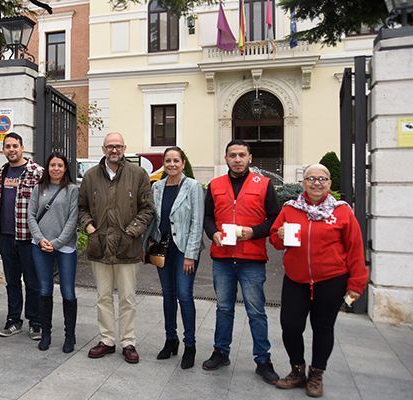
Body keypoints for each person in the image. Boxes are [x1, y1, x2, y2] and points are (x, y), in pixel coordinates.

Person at [269, 164, 368, 397]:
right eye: (311, 178)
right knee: (290, 325)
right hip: (296, 279)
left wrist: (356, 285)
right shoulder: (290, 209)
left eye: (322, 179)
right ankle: (297, 370)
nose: (316, 183)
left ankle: (316, 373)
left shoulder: (342, 212)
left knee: (323, 328)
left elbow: (355, 250)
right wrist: (278, 235)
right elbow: (275, 240)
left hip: (331, 280)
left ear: (330, 184)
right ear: (303, 183)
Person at [202, 139, 280, 383]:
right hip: (223, 258)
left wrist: (254, 232)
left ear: (250, 158)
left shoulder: (264, 184)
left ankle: (263, 360)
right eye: (232, 155)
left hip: (252, 258)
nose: (237, 159)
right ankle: (221, 351)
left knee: (256, 311)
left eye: (241, 155)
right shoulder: (215, 185)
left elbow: (275, 219)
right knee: (224, 308)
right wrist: (212, 232)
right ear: (225, 158)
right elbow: (207, 217)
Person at [78, 132, 154, 364]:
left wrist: (131, 231)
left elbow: (148, 209)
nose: (114, 150)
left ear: (124, 148)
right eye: (110, 146)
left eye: (118, 146)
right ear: (103, 149)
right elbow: (81, 208)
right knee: (103, 297)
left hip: (127, 247)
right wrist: (89, 227)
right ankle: (107, 340)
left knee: (127, 299)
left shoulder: (138, 174)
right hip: (99, 247)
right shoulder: (91, 176)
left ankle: (128, 342)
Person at [144, 146, 204, 369]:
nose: (171, 164)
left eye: (176, 161)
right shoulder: (157, 187)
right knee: (168, 295)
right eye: (167, 161)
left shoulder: (193, 187)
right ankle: (171, 339)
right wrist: (147, 245)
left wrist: (191, 255)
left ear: (183, 162)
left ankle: (190, 345)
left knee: (184, 295)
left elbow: (197, 222)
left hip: (184, 251)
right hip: (163, 249)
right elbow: (153, 219)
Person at [26, 152, 79, 353]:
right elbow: (31, 215)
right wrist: (40, 239)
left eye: (60, 165)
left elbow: (72, 220)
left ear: (65, 168)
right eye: (52, 165)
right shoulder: (38, 188)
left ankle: (69, 336)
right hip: (40, 246)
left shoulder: (72, 190)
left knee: (67, 291)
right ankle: (46, 333)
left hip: (64, 247)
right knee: (44, 290)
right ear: (47, 168)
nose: (56, 168)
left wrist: (56, 243)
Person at [0, 132, 44, 340]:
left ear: (22, 147)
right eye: (8, 146)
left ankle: (35, 322)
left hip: (28, 237)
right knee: (12, 281)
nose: (11, 150)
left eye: (15, 146)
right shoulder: (2, 172)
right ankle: (13, 320)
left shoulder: (36, 172)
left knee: (32, 281)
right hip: (6, 236)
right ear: (4, 149)